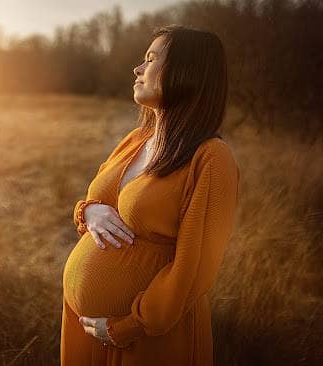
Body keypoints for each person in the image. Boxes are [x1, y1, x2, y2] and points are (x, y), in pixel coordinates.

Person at [61, 24, 241, 366]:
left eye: (151, 58)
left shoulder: (211, 157)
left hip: (148, 340)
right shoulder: (136, 139)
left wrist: (126, 326)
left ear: (185, 71)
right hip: (84, 330)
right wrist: (88, 212)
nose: (138, 68)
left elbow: (196, 268)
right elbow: (94, 203)